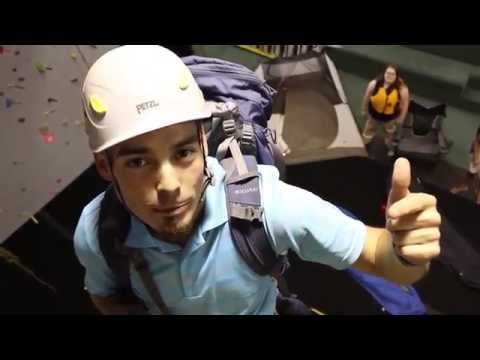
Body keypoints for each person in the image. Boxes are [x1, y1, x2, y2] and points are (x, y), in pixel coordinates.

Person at [74, 46, 441, 315]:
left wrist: (404, 252)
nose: (169, 184)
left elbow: (378, 256)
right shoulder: (99, 232)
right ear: (105, 167)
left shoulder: (262, 205)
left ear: (204, 144)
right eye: (139, 161)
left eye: (183, 153)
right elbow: (105, 294)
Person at [361, 64, 410, 156]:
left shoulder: (402, 89)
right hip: (374, 115)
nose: (389, 76)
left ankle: (389, 148)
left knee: (390, 135)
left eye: (392, 74)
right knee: (368, 132)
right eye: (387, 73)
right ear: (384, 73)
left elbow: (405, 104)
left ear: (396, 76)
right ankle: (364, 145)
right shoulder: (374, 84)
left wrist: (401, 118)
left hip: (390, 118)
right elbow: (366, 97)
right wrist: (364, 110)